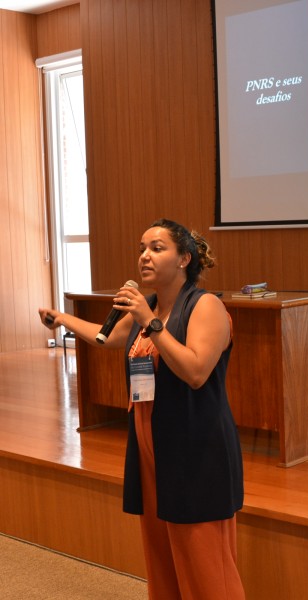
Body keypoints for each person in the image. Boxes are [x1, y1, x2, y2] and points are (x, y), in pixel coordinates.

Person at [39, 218, 245, 600]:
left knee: (202, 556)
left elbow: (196, 372)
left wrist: (151, 324)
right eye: (141, 248)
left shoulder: (206, 307)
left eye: (157, 248)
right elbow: (109, 339)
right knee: (162, 547)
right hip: (153, 443)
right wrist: (62, 318)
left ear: (184, 258)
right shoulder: (147, 307)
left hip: (195, 446)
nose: (144, 256)